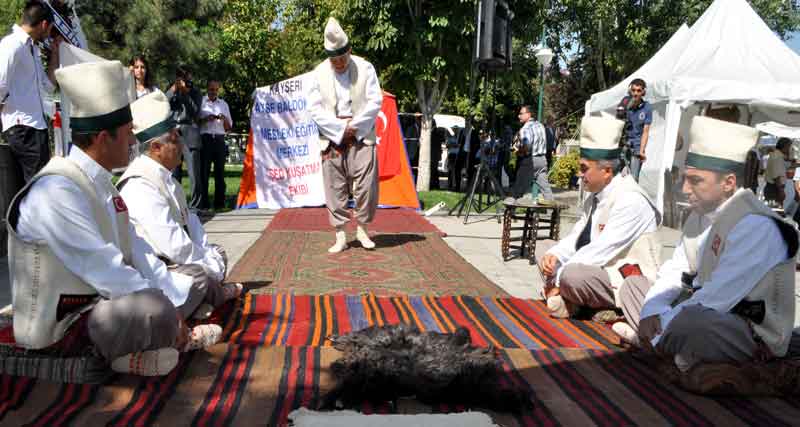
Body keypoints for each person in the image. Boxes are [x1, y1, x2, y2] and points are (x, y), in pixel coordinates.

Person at [6, 61, 222, 377]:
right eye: (127, 133)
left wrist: (168, 294)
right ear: (104, 137)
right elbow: (106, 267)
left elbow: (138, 253)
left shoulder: (101, 184)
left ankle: (134, 356)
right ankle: (178, 340)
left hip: (102, 306)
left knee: (171, 293)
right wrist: (170, 312)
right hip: (59, 327)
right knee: (155, 309)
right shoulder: (57, 190)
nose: (135, 142)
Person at [611, 116, 797, 375]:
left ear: (729, 183)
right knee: (635, 286)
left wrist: (659, 324)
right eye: (685, 179)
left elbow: (716, 298)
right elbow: (675, 270)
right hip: (692, 307)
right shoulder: (700, 215)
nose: (685, 189)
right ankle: (669, 347)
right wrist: (651, 311)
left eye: (695, 181)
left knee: (695, 322)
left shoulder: (757, 226)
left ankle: (655, 342)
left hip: (742, 329)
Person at [118, 90, 242, 319]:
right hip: (159, 271)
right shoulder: (139, 186)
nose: (182, 143)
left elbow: (192, 227)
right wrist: (211, 269)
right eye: (175, 138)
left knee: (218, 252)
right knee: (199, 275)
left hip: (180, 264)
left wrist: (211, 258)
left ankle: (206, 299)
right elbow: (175, 246)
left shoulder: (167, 180)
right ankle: (206, 300)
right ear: (156, 147)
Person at [540, 116, 660, 319]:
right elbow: (578, 237)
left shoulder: (630, 199)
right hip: (594, 267)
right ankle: (576, 303)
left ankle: (597, 305)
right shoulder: (595, 194)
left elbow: (601, 250)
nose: (579, 174)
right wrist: (556, 255)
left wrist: (558, 279)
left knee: (571, 274)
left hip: (620, 275)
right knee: (544, 249)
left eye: (584, 168)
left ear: (606, 171)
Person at [308, 17, 382, 253]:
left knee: (366, 185)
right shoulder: (318, 73)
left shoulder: (365, 67)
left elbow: (374, 101)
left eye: (342, 58)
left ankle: (362, 229)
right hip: (331, 136)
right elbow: (314, 109)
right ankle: (340, 234)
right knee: (334, 186)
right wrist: (340, 130)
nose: (339, 63)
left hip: (361, 133)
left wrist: (354, 127)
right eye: (334, 60)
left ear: (349, 50)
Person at [0, 1, 61, 183]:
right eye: (50, 29)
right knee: (37, 190)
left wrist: (55, 55)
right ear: (43, 25)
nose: (49, 34)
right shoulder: (12, 45)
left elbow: (47, 86)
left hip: (36, 128)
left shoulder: (31, 48)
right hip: (23, 128)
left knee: (35, 188)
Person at [166, 66, 203, 209]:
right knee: (174, 174)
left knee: (194, 174)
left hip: (190, 133)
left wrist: (186, 94)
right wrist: (172, 91)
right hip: (174, 133)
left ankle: (195, 207)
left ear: (190, 76)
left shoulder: (195, 91)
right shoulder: (172, 89)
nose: (182, 78)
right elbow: (162, 103)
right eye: (179, 75)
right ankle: (177, 206)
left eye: (185, 75)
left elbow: (195, 112)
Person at [198, 79, 232, 210]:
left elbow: (229, 128)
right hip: (205, 139)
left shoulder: (223, 104)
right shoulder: (201, 102)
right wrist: (206, 119)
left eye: (216, 90)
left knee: (220, 173)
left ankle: (219, 204)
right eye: (211, 89)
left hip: (219, 140)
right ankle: (204, 204)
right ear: (207, 89)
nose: (214, 92)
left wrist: (224, 119)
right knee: (204, 173)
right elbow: (195, 122)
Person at [509, 105, 553, 203]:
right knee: (545, 188)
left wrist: (518, 150)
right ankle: (553, 212)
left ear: (528, 114)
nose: (518, 116)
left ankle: (510, 211)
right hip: (542, 160)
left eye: (521, 114)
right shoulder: (541, 125)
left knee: (519, 186)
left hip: (530, 160)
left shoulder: (525, 128)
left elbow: (526, 146)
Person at [618, 78, 652, 181]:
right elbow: (618, 124)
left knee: (633, 178)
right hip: (623, 145)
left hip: (637, 147)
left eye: (638, 91)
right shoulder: (625, 102)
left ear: (643, 92)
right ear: (630, 91)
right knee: (619, 177)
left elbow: (645, 132)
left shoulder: (647, 107)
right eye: (633, 90)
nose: (635, 93)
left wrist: (641, 151)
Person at [764, 137, 791, 207]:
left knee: (776, 211)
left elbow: (787, 165)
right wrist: (781, 191)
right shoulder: (777, 157)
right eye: (789, 147)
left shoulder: (777, 155)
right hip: (774, 189)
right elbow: (776, 176)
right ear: (785, 146)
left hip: (774, 188)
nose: (789, 149)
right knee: (775, 212)